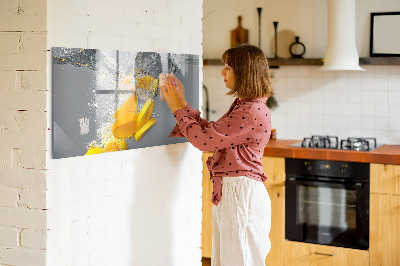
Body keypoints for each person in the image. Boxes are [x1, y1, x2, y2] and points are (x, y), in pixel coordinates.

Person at [161, 44, 273, 266]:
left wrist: (176, 108)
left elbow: (204, 141)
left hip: (241, 195)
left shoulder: (250, 111)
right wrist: (182, 103)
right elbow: (212, 133)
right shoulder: (246, 106)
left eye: (228, 67)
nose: (222, 72)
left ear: (244, 72)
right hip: (236, 193)